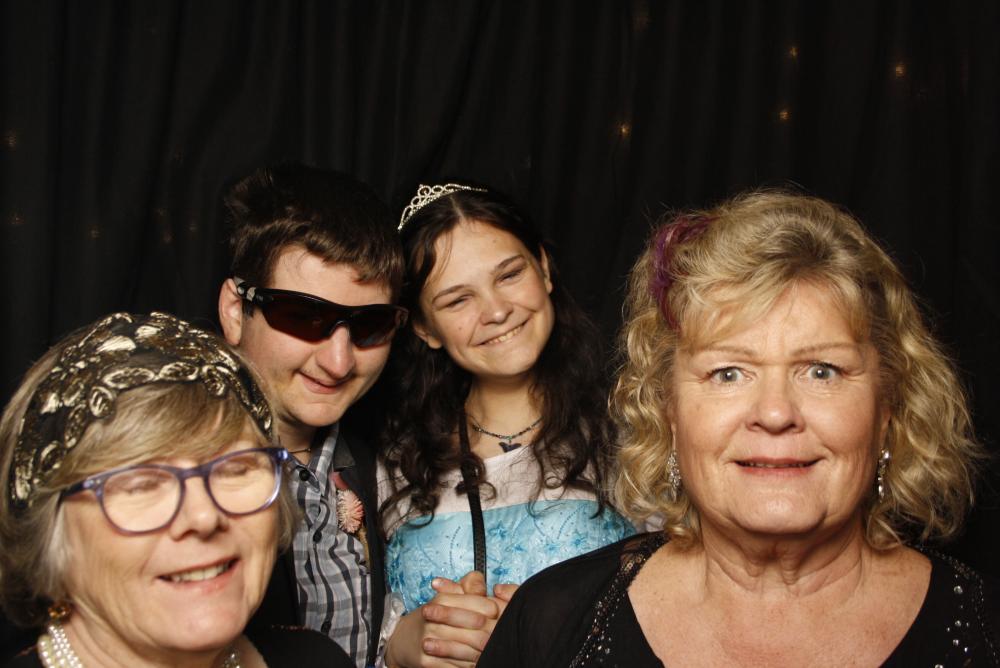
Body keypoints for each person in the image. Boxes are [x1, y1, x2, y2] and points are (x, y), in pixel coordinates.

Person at [478, 190, 1000, 667]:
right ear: (668, 411)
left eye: (821, 371)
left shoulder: (985, 630)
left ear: (886, 409)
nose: (774, 414)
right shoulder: (552, 623)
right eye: (728, 373)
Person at [0, 311, 351, 667]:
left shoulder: (320, 659)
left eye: (235, 469)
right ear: (48, 537)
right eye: (141, 485)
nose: (204, 517)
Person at [379, 184, 636, 666]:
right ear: (424, 327)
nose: (496, 311)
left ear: (544, 268)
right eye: (458, 300)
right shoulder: (391, 463)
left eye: (510, 275)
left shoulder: (632, 435)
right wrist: (398, 647)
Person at [216, 163, 406, 667]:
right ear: (236, 310)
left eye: (370, 325)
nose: (339, 362)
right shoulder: (183, 479)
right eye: (304, 316)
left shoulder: (377, 462)